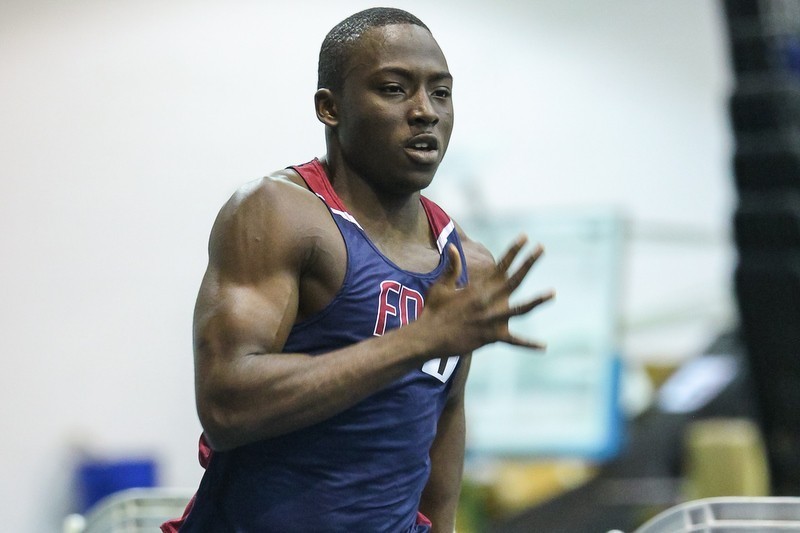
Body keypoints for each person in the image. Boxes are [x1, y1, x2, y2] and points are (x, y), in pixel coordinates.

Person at [163, 7, 554, 533]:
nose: (425, 112)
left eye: (441, 92)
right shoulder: (279, 215)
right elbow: (226, 404)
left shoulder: (467, 261)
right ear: (331, 107)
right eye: (395, 89)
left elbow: (444, 419)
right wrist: (418, 341)